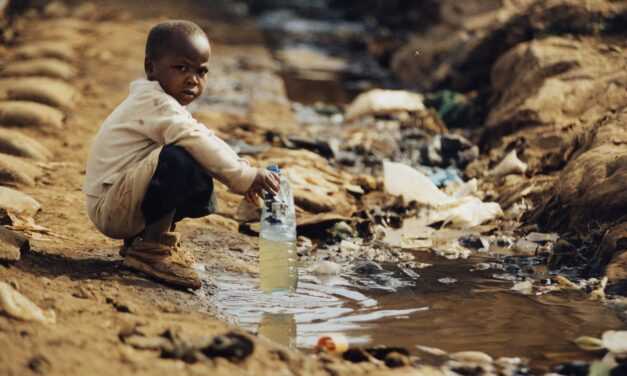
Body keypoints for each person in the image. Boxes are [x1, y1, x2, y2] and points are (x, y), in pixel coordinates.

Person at [83, 20, 279, 290]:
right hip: (111, 207)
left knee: (196, 159)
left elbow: (203, 137)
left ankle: (144, 241)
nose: (193, 79)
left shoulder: (165, 104)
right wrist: (244, 176)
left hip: (122, 199)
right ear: (151, 68)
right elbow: (195, 139)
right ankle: (151, 250)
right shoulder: (153, 102)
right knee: (181, 158)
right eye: (181, 68)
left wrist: (243, 168)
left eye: (201, 71)